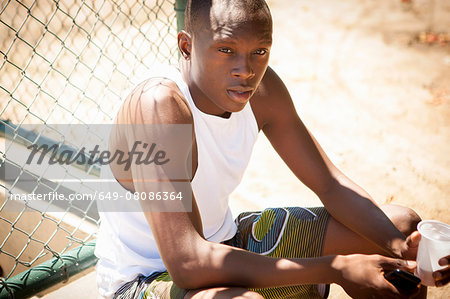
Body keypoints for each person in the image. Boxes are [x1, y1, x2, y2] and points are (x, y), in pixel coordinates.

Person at [94, 0, 450, 298]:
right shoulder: (157, 107)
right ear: (186, 46)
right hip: (146, 279)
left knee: (399, 228)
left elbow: (330, 185)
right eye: (226, 50)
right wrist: (338, 268)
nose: (245, 70)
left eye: (259, 51)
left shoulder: (261, 91)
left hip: (228, 242)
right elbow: (187, 264)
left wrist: (402, 249)